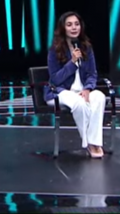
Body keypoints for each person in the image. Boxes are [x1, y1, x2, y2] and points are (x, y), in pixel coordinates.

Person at [47, 11, 106, 158]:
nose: (74, 28)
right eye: (69, 25)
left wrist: (88, 88)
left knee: (99, 96)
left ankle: (95, 141)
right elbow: (55, 79)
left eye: (76, 24)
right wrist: (72, 62)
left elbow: (92, 74)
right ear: (63, 28)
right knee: (79, 103)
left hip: (81, 90)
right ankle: (89, 143)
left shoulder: (86, 47)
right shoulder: (55, 50)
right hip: (60, 91)